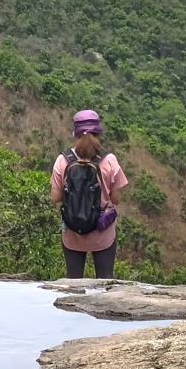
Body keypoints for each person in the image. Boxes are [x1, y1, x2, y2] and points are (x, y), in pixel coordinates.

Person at [50, 110, 128, 279]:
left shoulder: (63, 160)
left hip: (72, 232)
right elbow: (116, 199)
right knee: (106, 279)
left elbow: (54, 198)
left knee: (73, 282)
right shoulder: (109, 160)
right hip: (102, 231)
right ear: (98, 131)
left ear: (75, 133)